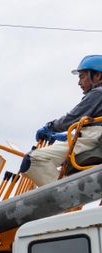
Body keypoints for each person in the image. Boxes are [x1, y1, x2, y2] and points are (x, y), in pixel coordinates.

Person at [21, 55, 102, 186]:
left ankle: (66, 195)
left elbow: (71, 120)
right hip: (92, 140)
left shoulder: (98, 93)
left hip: (91, 142)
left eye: (82, 77)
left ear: (97, 75)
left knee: (33, 159)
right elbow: (92, 129)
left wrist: (50, 126)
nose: (79, 83)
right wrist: (63, 137)